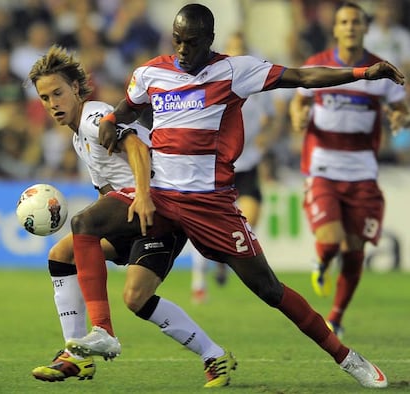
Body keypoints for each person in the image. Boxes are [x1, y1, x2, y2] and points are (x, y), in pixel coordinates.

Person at [97, 3, 403, 388]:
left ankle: (347, 358)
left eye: (192, 43)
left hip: (210, 205)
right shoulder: (149, 73)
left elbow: (303, 77)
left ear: (210, 40)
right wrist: (111, 121)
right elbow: (126, 108)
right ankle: (90, 335)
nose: (183, 50)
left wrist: (362, 73)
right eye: (177, 41)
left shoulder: (233, 71)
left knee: (269, 289)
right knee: (87, 240)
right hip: (159, 197)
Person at [28, 45, 236, 388]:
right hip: (130, 214)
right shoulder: (80, 138)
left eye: (58, 93)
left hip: (157, 206)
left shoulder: (95, 117)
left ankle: (101, 334)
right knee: (76, 264)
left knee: (85, 230)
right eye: (45, 98)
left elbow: (138, 149)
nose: (52, 103)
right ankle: (78, 357)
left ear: (77, 90)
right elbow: (107, 192)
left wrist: (141, 196)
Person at [289, 1, 410, 338]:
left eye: (356, 21)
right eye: (344, 22)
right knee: (331, 242)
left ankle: (337, 319)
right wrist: (297, 115)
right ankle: (322, 262)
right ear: (336, 28)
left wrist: (400, 117)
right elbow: (298, 100)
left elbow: (400, 108)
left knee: (355, 249)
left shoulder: (381, 70)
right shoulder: (317, 65)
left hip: (362, 170)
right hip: (324, 165)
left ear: (365, 27)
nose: (351, 27)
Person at [190, 31, 278, 303]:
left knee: (249, 221)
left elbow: (272, 119)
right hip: (217, 165)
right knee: (204, 225)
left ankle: (223, 260)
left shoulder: (257, 84)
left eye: (242, 48)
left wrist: (267, 137)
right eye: (233, 49)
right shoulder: (213, 81)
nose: (237, 53)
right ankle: (199, 280)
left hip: (248, 163)